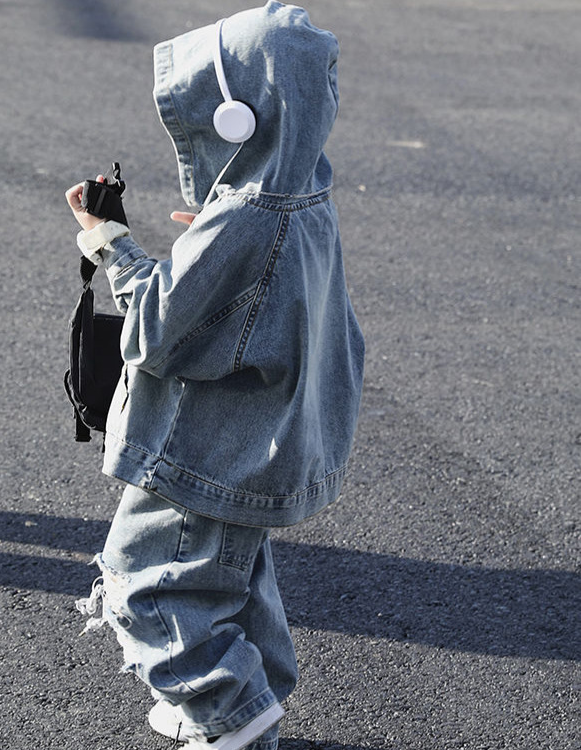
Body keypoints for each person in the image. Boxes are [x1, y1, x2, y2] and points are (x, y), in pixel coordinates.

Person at [64, 3, 365, 748]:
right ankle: (252, 696)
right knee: (231, 575)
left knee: (148, 583)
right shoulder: (305, 198)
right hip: (265, 442)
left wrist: (111, 243)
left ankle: (227, 712)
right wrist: (210, 241)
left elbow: (155, 331)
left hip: (205, 449)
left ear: (237, 115)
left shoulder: (247, 218)